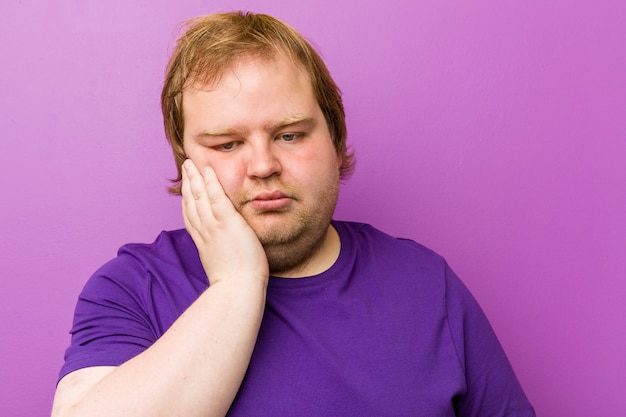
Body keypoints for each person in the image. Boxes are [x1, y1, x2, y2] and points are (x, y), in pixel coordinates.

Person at [52, 11, 535, 417]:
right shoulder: (132, 288)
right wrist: (237, 285)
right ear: (186, 161)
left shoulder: (427, 284)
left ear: (335, 138)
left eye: (290, 135)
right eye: (228, 143)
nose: (263, 165)